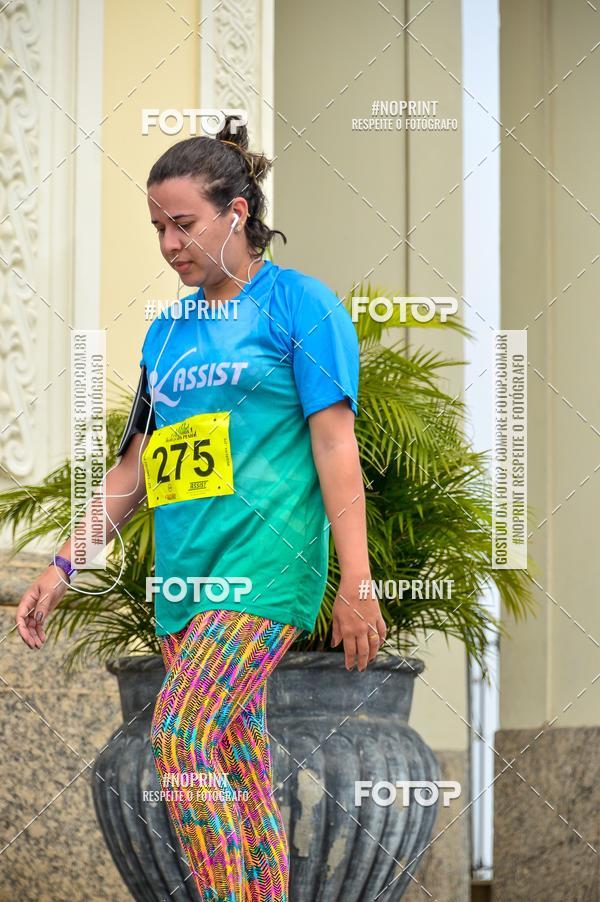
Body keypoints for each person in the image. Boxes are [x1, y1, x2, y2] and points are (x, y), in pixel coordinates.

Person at [16, 115, 386, 901]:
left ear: (237, 212)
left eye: (183, 224)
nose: (168, 244)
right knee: (237, 765)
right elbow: (135, 470)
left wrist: (356, 581)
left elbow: (334, 446)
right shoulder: (166, 336)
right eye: (157, 227)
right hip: (186, 583)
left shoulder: (302, 306)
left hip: (265, 569)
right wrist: (62, 566)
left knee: (181, 740)